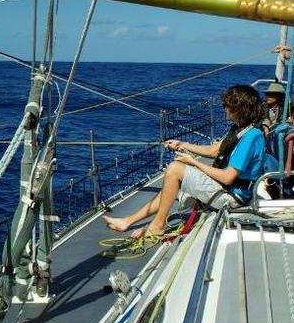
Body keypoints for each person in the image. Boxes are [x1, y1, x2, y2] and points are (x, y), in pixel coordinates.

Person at [103, 85, 266, 238]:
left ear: (239, 109)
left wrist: (193, 162)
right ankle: (127, 221)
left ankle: (157, 226)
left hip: (233, 198)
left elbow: (227, 177)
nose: (225, 108)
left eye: (227, 105)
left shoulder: (251, 137)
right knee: (169, 188)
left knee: (175, 169)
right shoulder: (241, 129)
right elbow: (216, 150)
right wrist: (182, 145)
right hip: (227, 189)